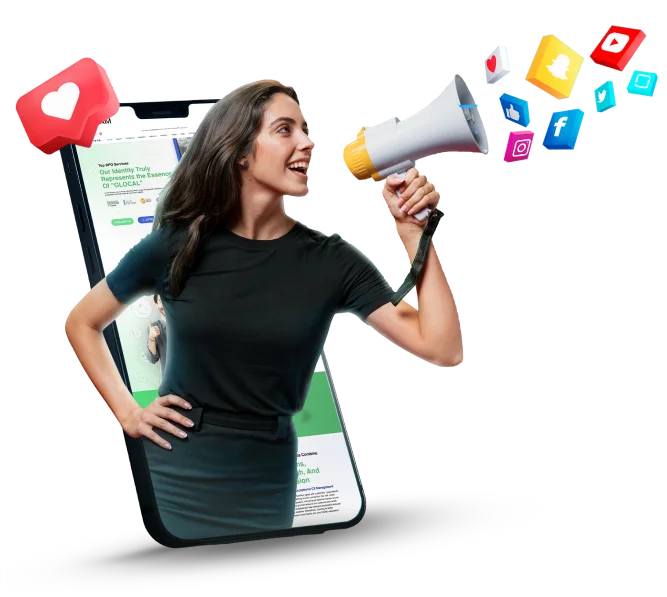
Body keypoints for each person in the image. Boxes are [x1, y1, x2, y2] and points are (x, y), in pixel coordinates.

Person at [64, 79, 463, 542]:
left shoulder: (331, 260)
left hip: (268, 472)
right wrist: (129, 413)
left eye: (305, 129)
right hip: (177, 464)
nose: (307, 142)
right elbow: (81, 320)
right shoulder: (176, 243)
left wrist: (417, 235)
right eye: (284, 129)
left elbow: (442, 347)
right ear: (239, 151)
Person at [146, 294, 167, 379]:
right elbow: (152, 359)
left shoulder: (186, 324)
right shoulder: (153, 327)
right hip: (169, 385)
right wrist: (152, 338)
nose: (166, 304)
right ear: (156, 305)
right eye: (161, 301)